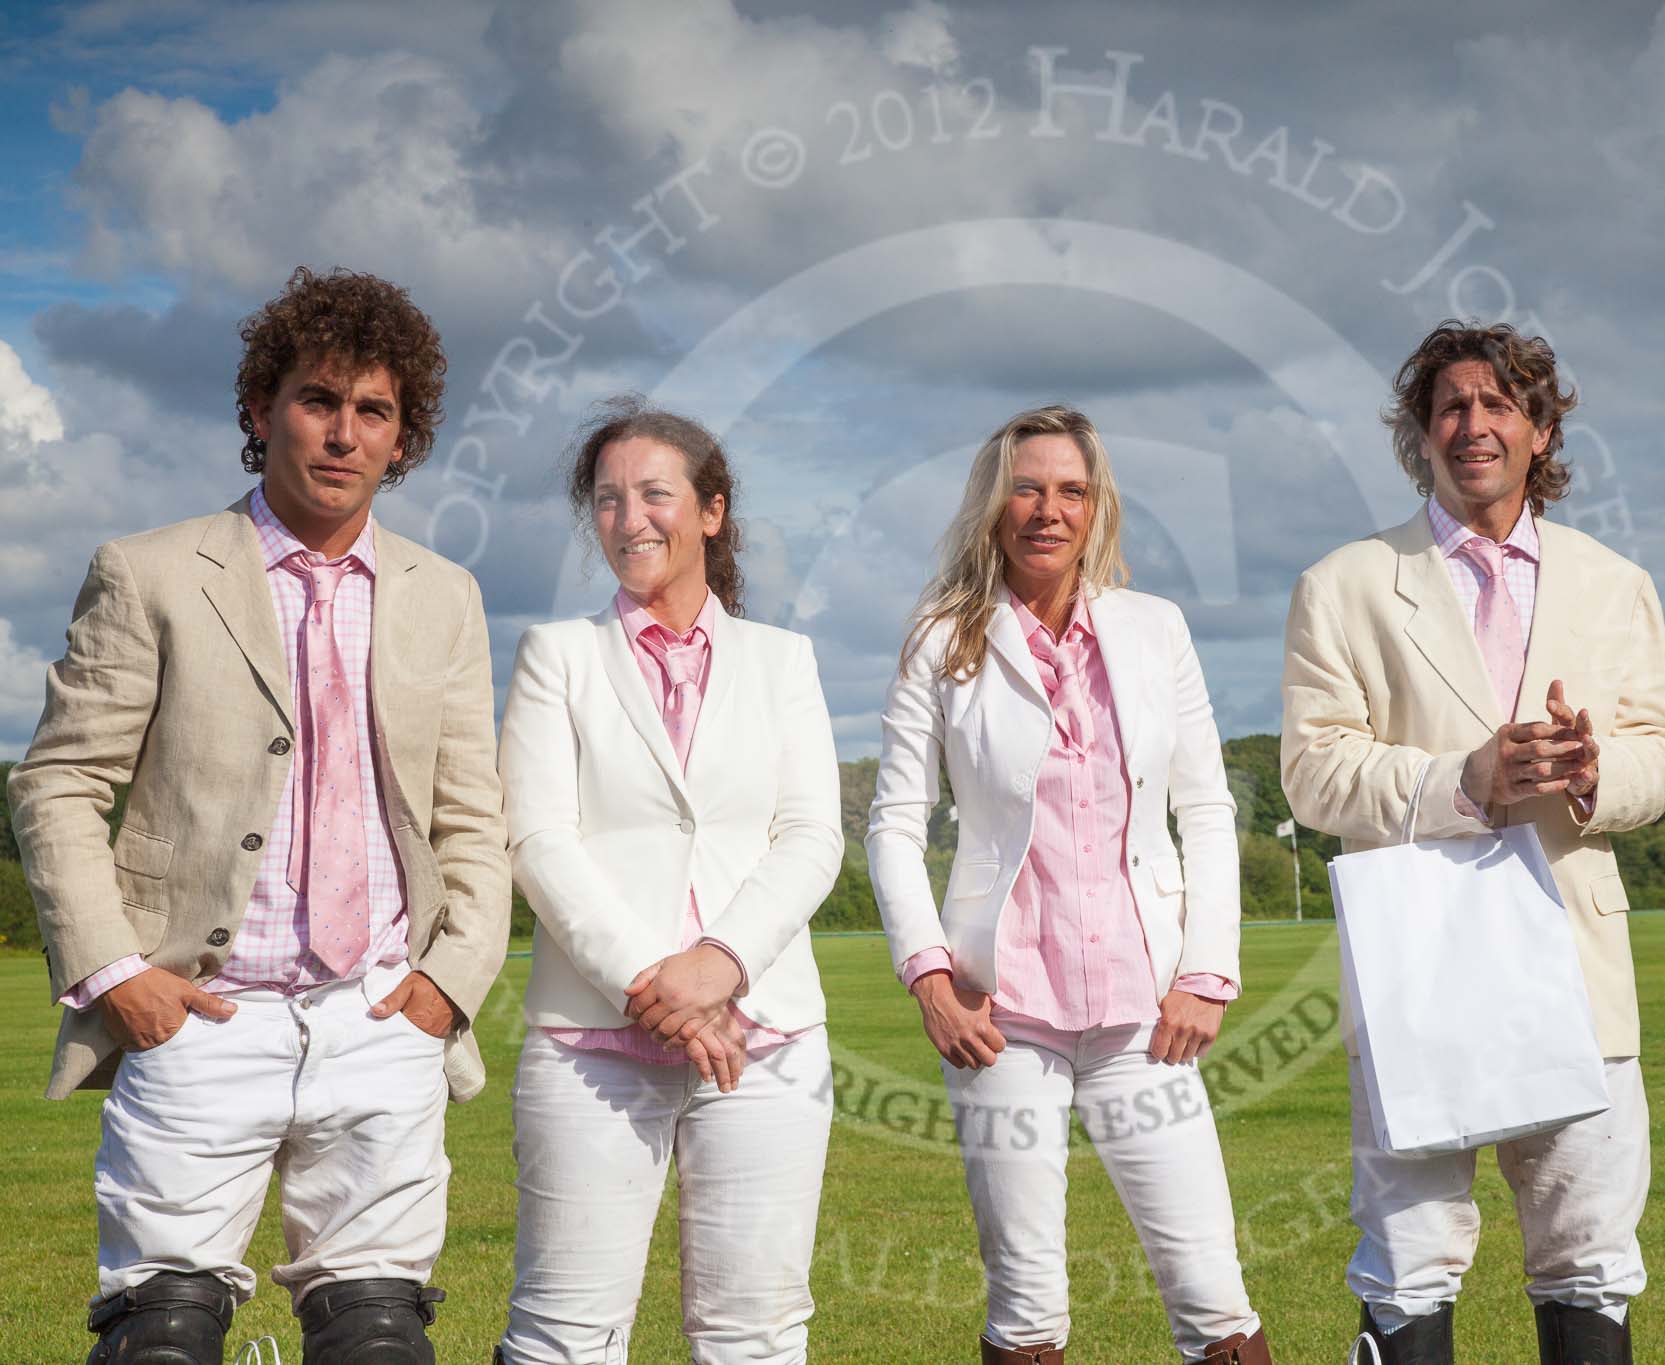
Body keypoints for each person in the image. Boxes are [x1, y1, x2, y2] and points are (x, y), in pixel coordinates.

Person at [7, 266, 509, 1364]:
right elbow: (56, 782)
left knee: (378, 1339)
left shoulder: (446, 593)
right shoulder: (147, 573)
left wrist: (447, 985)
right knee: (161, 1339)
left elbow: (473, 816)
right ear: (259, 411)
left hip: (382, 1016)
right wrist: (118, 976)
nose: (343, 433)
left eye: (373, 411)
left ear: (403, 436)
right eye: (317, 400)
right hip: (199, 1012)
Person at [1280, 320, 1665, 1364]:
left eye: (1499, 405)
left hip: (1576, 957)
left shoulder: (1613, 581)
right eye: (1449, 406)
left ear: (1541, 431)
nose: (1474, 425)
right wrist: (1457, 779)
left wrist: (1596, 775)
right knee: (1408, 1261)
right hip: (1421, 956)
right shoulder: (1344, 583)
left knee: (1587, 1256)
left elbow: (1656, 758)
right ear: (1418, 435)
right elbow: (1313, 771)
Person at [865, 405, 1270, 1365]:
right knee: (1028, 1305)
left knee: (1213, 1293)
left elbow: (1208, 810)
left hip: (1147, 1011)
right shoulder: (941, 638)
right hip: (1000, 1011)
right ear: (993, 502)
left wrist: (1207, 970)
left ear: (1098, 508)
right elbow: (891, 821)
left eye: (1072, 490)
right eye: (1028, 486)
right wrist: (929, 974)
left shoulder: (1155, 629)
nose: (1049, 509)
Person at [494, 398, 843, 1363]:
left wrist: (722, 963)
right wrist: (664, 990)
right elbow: (538, 840)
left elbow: (812, 835)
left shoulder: (784, 662)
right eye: (607, 500)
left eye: (655, 493)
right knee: (565, 1332)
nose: (630, 517)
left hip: (765, 1037)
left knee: (757, 1335)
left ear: (713, 512)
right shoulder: (554, 657)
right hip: (592, 1044)